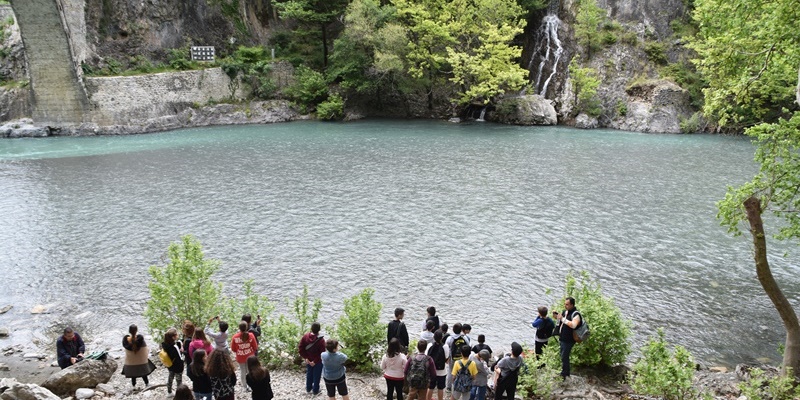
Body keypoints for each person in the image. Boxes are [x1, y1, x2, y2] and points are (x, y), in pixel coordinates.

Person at [122, 324, 156, 389]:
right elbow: (145, 350)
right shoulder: (140, 340)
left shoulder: (126, 341)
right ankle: (147, 383)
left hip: (130, 362)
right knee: (143, 372)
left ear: (129, 331)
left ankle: (133, 386)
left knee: (133, 374)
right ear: (136, 330)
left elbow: (127, 349)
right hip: (141, 361)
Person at [555, 297, 581, 380]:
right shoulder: (565, 312)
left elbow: (573, 325)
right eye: (565, 304)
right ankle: (565, 372)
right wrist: (557, 317)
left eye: (567, 304)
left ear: (572, 305)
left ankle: (564, 374)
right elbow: (561, 322)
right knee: (563, 355)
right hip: (562, 338)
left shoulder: (576, 314)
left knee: (564, 356)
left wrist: (562, 318)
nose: (565, 306)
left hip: (569, 340)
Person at [299, 322, 326, 395]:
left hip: (308, 359)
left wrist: (306, 358)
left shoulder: (305, 337)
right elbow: (322, 353)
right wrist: (315, 361)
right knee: (317, 375)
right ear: (319, 330)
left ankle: (308, 388)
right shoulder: (321, 340)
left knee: (309, 374)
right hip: (317, 361)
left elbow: (301, 348)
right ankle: (315, 390)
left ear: (311, 328)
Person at [231, 321, 258, 392]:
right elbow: (255, 347)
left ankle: (244, 387)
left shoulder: (235, 337)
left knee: (242, 372)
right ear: (247, 327)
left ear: (239, 328)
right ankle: (251, 385)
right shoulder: (251, 335)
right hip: (250, 357)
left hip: (240, 357)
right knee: (250, 371)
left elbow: (233, 349)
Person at [426, 331, 449, 400]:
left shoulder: (430, 345)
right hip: (442, 371)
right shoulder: (445, 346)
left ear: (433, 337)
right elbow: (447, 358)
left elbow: (427, 356)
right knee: (440, 388)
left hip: (431, 370)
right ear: (442, 338)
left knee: (430, 387)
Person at [445, 323, 468, 391]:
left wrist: (447, 357)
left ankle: (449, 387)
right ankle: (459, 386)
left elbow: (446, 348)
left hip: (452, 358)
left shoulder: (450, 338)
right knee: (460, 372)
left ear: (453, 329)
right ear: (461, 330)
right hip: (462, 358)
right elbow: (467, 347)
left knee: (450, 371)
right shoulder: (464, 338)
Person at [162, 328, 185, 394]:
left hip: (170, 365)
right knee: (179, 381)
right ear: (173, 337)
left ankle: (169, 392)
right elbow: (178, 357)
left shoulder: (165, 345)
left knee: (170, 378)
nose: (178, 335)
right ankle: (179, 394)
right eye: (177, 334)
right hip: (177, 367)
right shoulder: (174, 347)